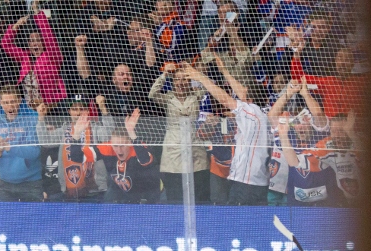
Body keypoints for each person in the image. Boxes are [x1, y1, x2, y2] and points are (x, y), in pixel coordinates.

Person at [182, 61, 271, 205]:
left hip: (245, 182)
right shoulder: (265, 114)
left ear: (249, 99)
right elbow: (243, 93)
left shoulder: (249, 111)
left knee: (237, 221)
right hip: (261, 181)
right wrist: (224, 70)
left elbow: (223, 98)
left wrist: (199, 77)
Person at [67, 108, 161, 203]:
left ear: (130, 143)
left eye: (122, 146)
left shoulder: (138, 147)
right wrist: (76, 134)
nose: (119, 150)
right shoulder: (107, 148)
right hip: (119, 190)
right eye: (115, 145)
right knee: (108, 203)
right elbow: (77, 158)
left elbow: (145, 160)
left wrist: (131, 132)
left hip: (148, 191)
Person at [148, 63, 209, 203]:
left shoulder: (196, 96)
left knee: (198, 192)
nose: (180, 83)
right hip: (173, 148)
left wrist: (195, 73)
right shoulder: (168, 98)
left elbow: (208, 87)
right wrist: (164, 74)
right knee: (175, 194)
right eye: (177, 79)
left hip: (195, 146)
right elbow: (152, 94)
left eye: (184, 79)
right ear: (173, 81)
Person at [1, 9, 67, 108]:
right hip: (29, 106)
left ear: (44, 43)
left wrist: (38, 14)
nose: (35, 43)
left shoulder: (52, 54)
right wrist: (16, 26)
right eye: (32, 41)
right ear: (28, 44)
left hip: (50, 104)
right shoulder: (25, 56)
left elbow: (48, 36)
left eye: (38, 40)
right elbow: (5, 45)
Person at [0, 86, 42, 201]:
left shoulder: (32, 117)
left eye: (13, 102)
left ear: (20, 100)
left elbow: (34, 152)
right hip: (5, 183)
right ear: (0, 102)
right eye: (6, 102)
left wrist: (9, 147)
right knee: (6, 218)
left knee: (34, 218)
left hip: (31, 182)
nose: (10, 107)